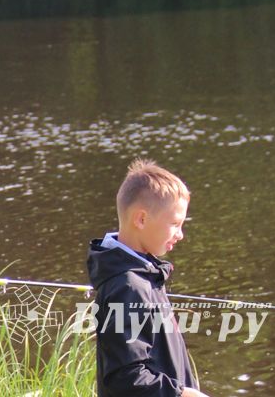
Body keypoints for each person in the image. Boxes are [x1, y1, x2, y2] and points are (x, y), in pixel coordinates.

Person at [86, 159, 210, 397]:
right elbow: (124, 377)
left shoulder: (145, 274)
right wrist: (182, 394)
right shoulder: (129, 286)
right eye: (175, 224)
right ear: (141, 219)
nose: (180, 234)